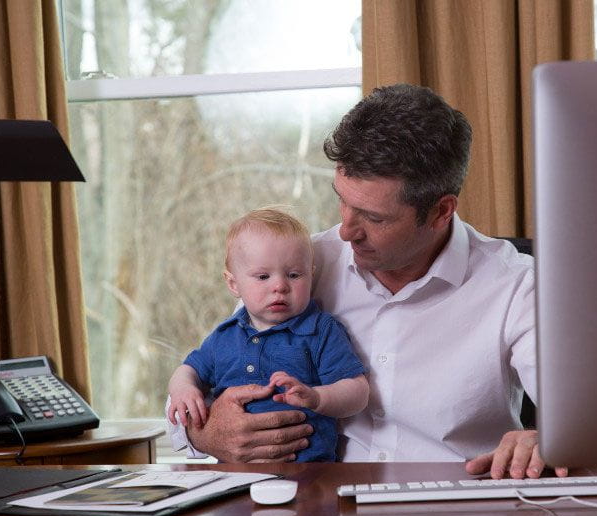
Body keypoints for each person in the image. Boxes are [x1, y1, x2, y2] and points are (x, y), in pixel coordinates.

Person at [170, 84, 567, 479]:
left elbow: (588, 422)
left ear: (440, 211)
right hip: (314, 506)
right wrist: (206, 434)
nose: (345, 231)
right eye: (342, 199)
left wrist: (548, 438)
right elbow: (195, 396)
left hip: (452, 506)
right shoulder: (297, 268)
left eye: (373, 218)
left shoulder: (516, 285)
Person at [167, 208, 369, 462]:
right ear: (233, 284)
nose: (280, 286)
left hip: (309, 474)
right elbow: (188, 370)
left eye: (294, 275)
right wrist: (183, 389)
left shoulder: (321, 330)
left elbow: (357, 391)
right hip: (234, 476)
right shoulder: (224, 337)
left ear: (311, 273)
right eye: (263, 276)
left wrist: (318, 397)